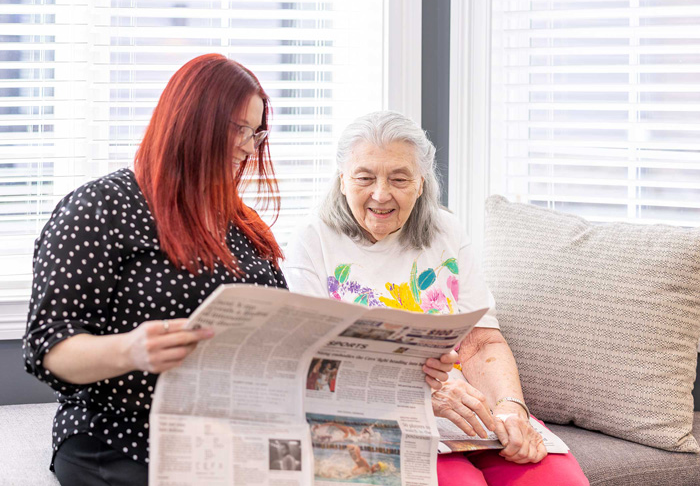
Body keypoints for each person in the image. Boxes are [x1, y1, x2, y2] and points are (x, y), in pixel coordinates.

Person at [282, 110, 589, 485]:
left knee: (556, 479)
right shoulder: (312, 240)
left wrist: (511, 410)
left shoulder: (446, 230)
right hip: (373, 417)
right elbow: (307, 362)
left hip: (462, 412)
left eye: (399, 178)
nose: (381, 194)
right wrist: (423, 396)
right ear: (342, 179)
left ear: (421, 183)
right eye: (365, 178)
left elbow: (479, 340)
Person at [22, 54, 288, 486]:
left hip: (237, 435)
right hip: (125, 439)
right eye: (236, 128)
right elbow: (47, 347)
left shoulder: (243, 225)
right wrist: (130, 351)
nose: (246, 146)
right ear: (188, 122)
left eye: (254, 133)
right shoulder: (101, 208)